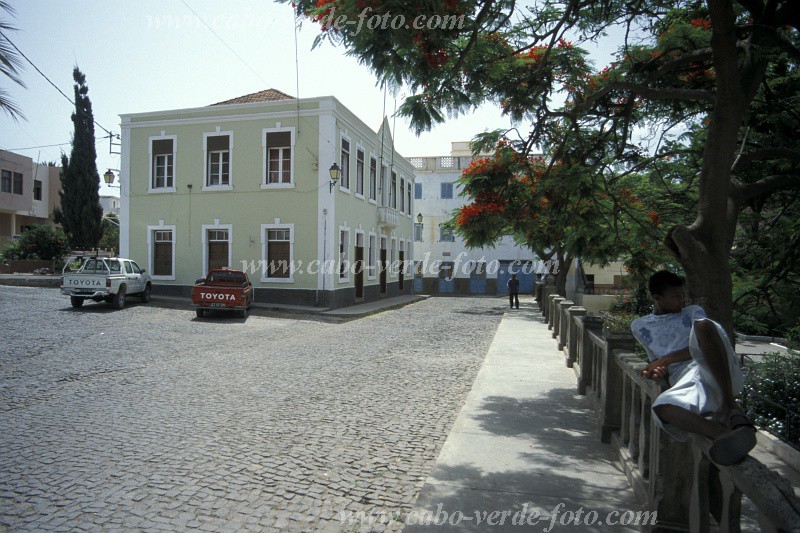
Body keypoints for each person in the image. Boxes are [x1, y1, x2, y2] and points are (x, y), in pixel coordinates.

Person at [631, 270, 756, 466]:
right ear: (657, 298)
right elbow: (654, 360)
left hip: (714, 368)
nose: (681, 299)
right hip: (684, 378)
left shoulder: (693, 313)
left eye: (682, 294)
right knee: (662, 409)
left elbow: (701, 346)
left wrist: (665, 360)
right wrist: (657, 370)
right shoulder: (640, 325)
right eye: (675, 296)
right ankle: (723, 434)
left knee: (704, 327)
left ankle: (729, 406)